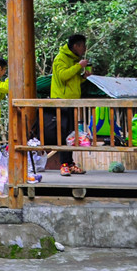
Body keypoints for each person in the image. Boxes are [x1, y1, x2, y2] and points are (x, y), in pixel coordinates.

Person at [51, 34, 90, 176]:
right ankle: (63, 164)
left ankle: (70, 163)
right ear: (76, 46)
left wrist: (83, 77)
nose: (84, 49)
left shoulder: (74, 60)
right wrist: (78, 66)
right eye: (83, 46)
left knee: (71, 135)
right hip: (62, 101)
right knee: (62, 133)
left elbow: (72, 81)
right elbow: (63, 76)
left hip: (72, 101)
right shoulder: (61, 58)